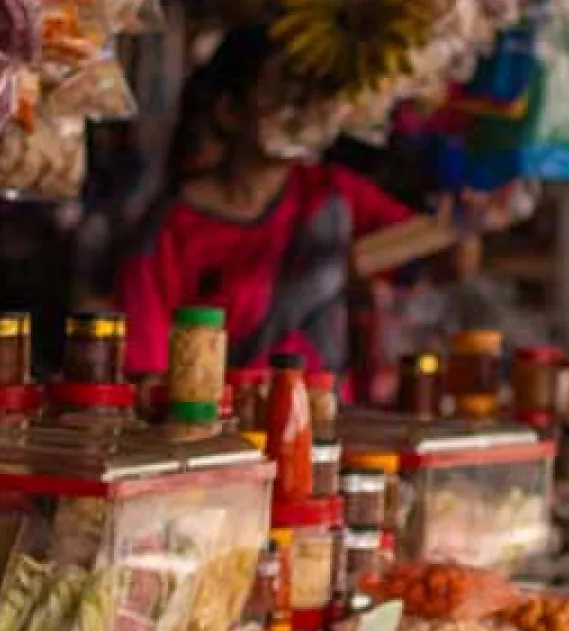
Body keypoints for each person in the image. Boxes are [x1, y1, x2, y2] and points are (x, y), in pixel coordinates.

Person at [118, 26, 517, 376]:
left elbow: (442, 266)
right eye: (279, 92)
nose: (298, 110)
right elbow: (146, 371)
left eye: (305, 94)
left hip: (318, 423)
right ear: (229, 111)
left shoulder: (334, 194)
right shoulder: (168, 230)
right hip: (222, 442)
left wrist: (463, 229)